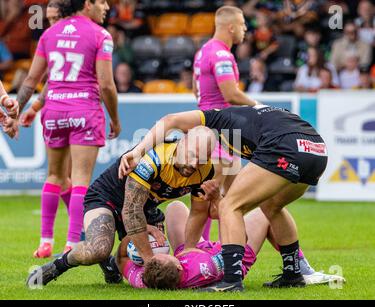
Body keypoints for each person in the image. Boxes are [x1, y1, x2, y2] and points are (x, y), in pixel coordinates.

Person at [118, 104, 329, 291]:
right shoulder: (247, 118)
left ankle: (231, 280)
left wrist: (137, 152)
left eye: (201, 157)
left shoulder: (217, 119)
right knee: (272, 206)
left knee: (230, 206)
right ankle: (293, 273)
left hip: (285, 147)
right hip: (316, 150)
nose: (195, 165)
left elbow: (170, 120)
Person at [26, 127, 217, 287]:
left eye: (201, 159)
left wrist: (190, 248)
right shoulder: (153, 159)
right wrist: (149, 257)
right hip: (107, 198)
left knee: (155, 257)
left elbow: (199, 211)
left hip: (145, 208)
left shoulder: (206, 171)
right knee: (99, 249)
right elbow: (130, 211)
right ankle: (57, 266)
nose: (194, 164)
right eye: (192, 155)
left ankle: (111, 264)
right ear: (182, 144)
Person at [14, 0, 121, 257]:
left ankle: (45, 241)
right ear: (86, 4)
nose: (106, 6)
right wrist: (115, 118)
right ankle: (73, 242)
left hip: (54, 112)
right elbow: (106, 84)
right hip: (84, 110)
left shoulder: (50, 34)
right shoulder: (100, 35)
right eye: (101, 1)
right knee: (82, 180)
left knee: (55, 177)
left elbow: (31, 80)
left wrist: (15, 110)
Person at [118, 198, 345, 289]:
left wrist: (137, 238)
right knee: (267, 210)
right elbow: (236, 243)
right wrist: (219, 212)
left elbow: (121, 258)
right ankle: (300, 266)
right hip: (230, 258)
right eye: (166, 255)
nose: (165, 252)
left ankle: (205, 216)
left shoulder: (145, 280)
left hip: (197, 250)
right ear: (178, 265)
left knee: (176, 207)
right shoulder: (204, 267)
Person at [192, 6, 258, 239]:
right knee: (210, 200)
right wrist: (259, 107)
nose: (245, 29)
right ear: (231, 27)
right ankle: (203, 250)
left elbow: (196, 91)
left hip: (219, 132)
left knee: (228, 200)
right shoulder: (221, 55)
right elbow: (231, 94)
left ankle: (222, 251)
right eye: (242, 25)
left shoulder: (203, 52)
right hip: (219, 134)